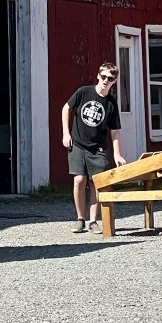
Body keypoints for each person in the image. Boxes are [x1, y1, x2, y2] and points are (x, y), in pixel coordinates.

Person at [62, 64, 126, 233]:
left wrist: (117, 154)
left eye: (110, 79)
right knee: (79, 180)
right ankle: (80, 219)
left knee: (96, 183)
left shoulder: (111, 104)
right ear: (98, 76)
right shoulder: (84, 92)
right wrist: (66, 134)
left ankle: (92, 221)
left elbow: (115, 131)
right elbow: (66, 108)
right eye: (103, 76)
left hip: (97, 148)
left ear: (114, 82)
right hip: (77, 143)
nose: (106, 80)